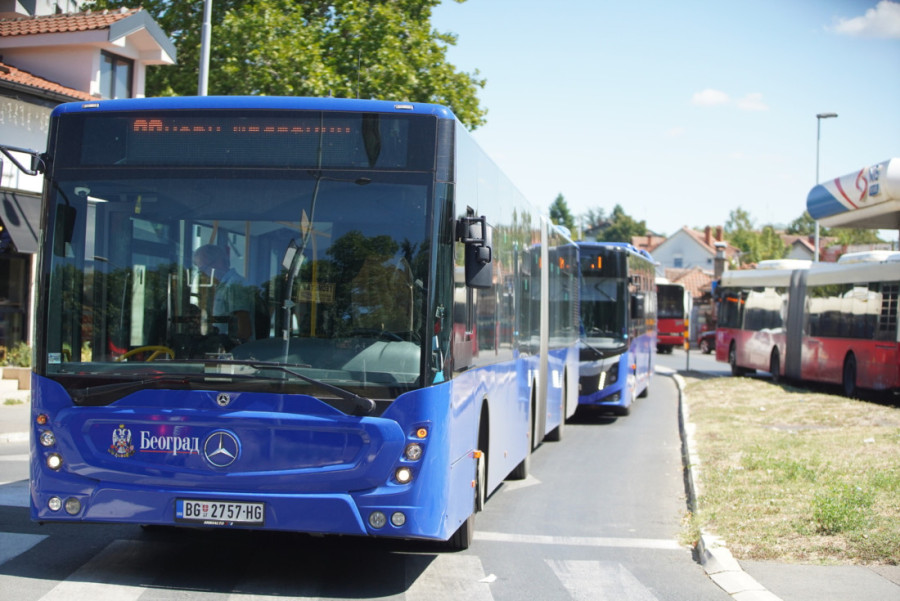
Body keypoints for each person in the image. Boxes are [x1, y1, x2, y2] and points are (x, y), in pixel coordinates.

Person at [192, 244, 254, 342]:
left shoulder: (234, 285)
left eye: (204, 269)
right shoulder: (222, 286)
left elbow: (244, 330)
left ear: (218, 263)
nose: (203, 275)